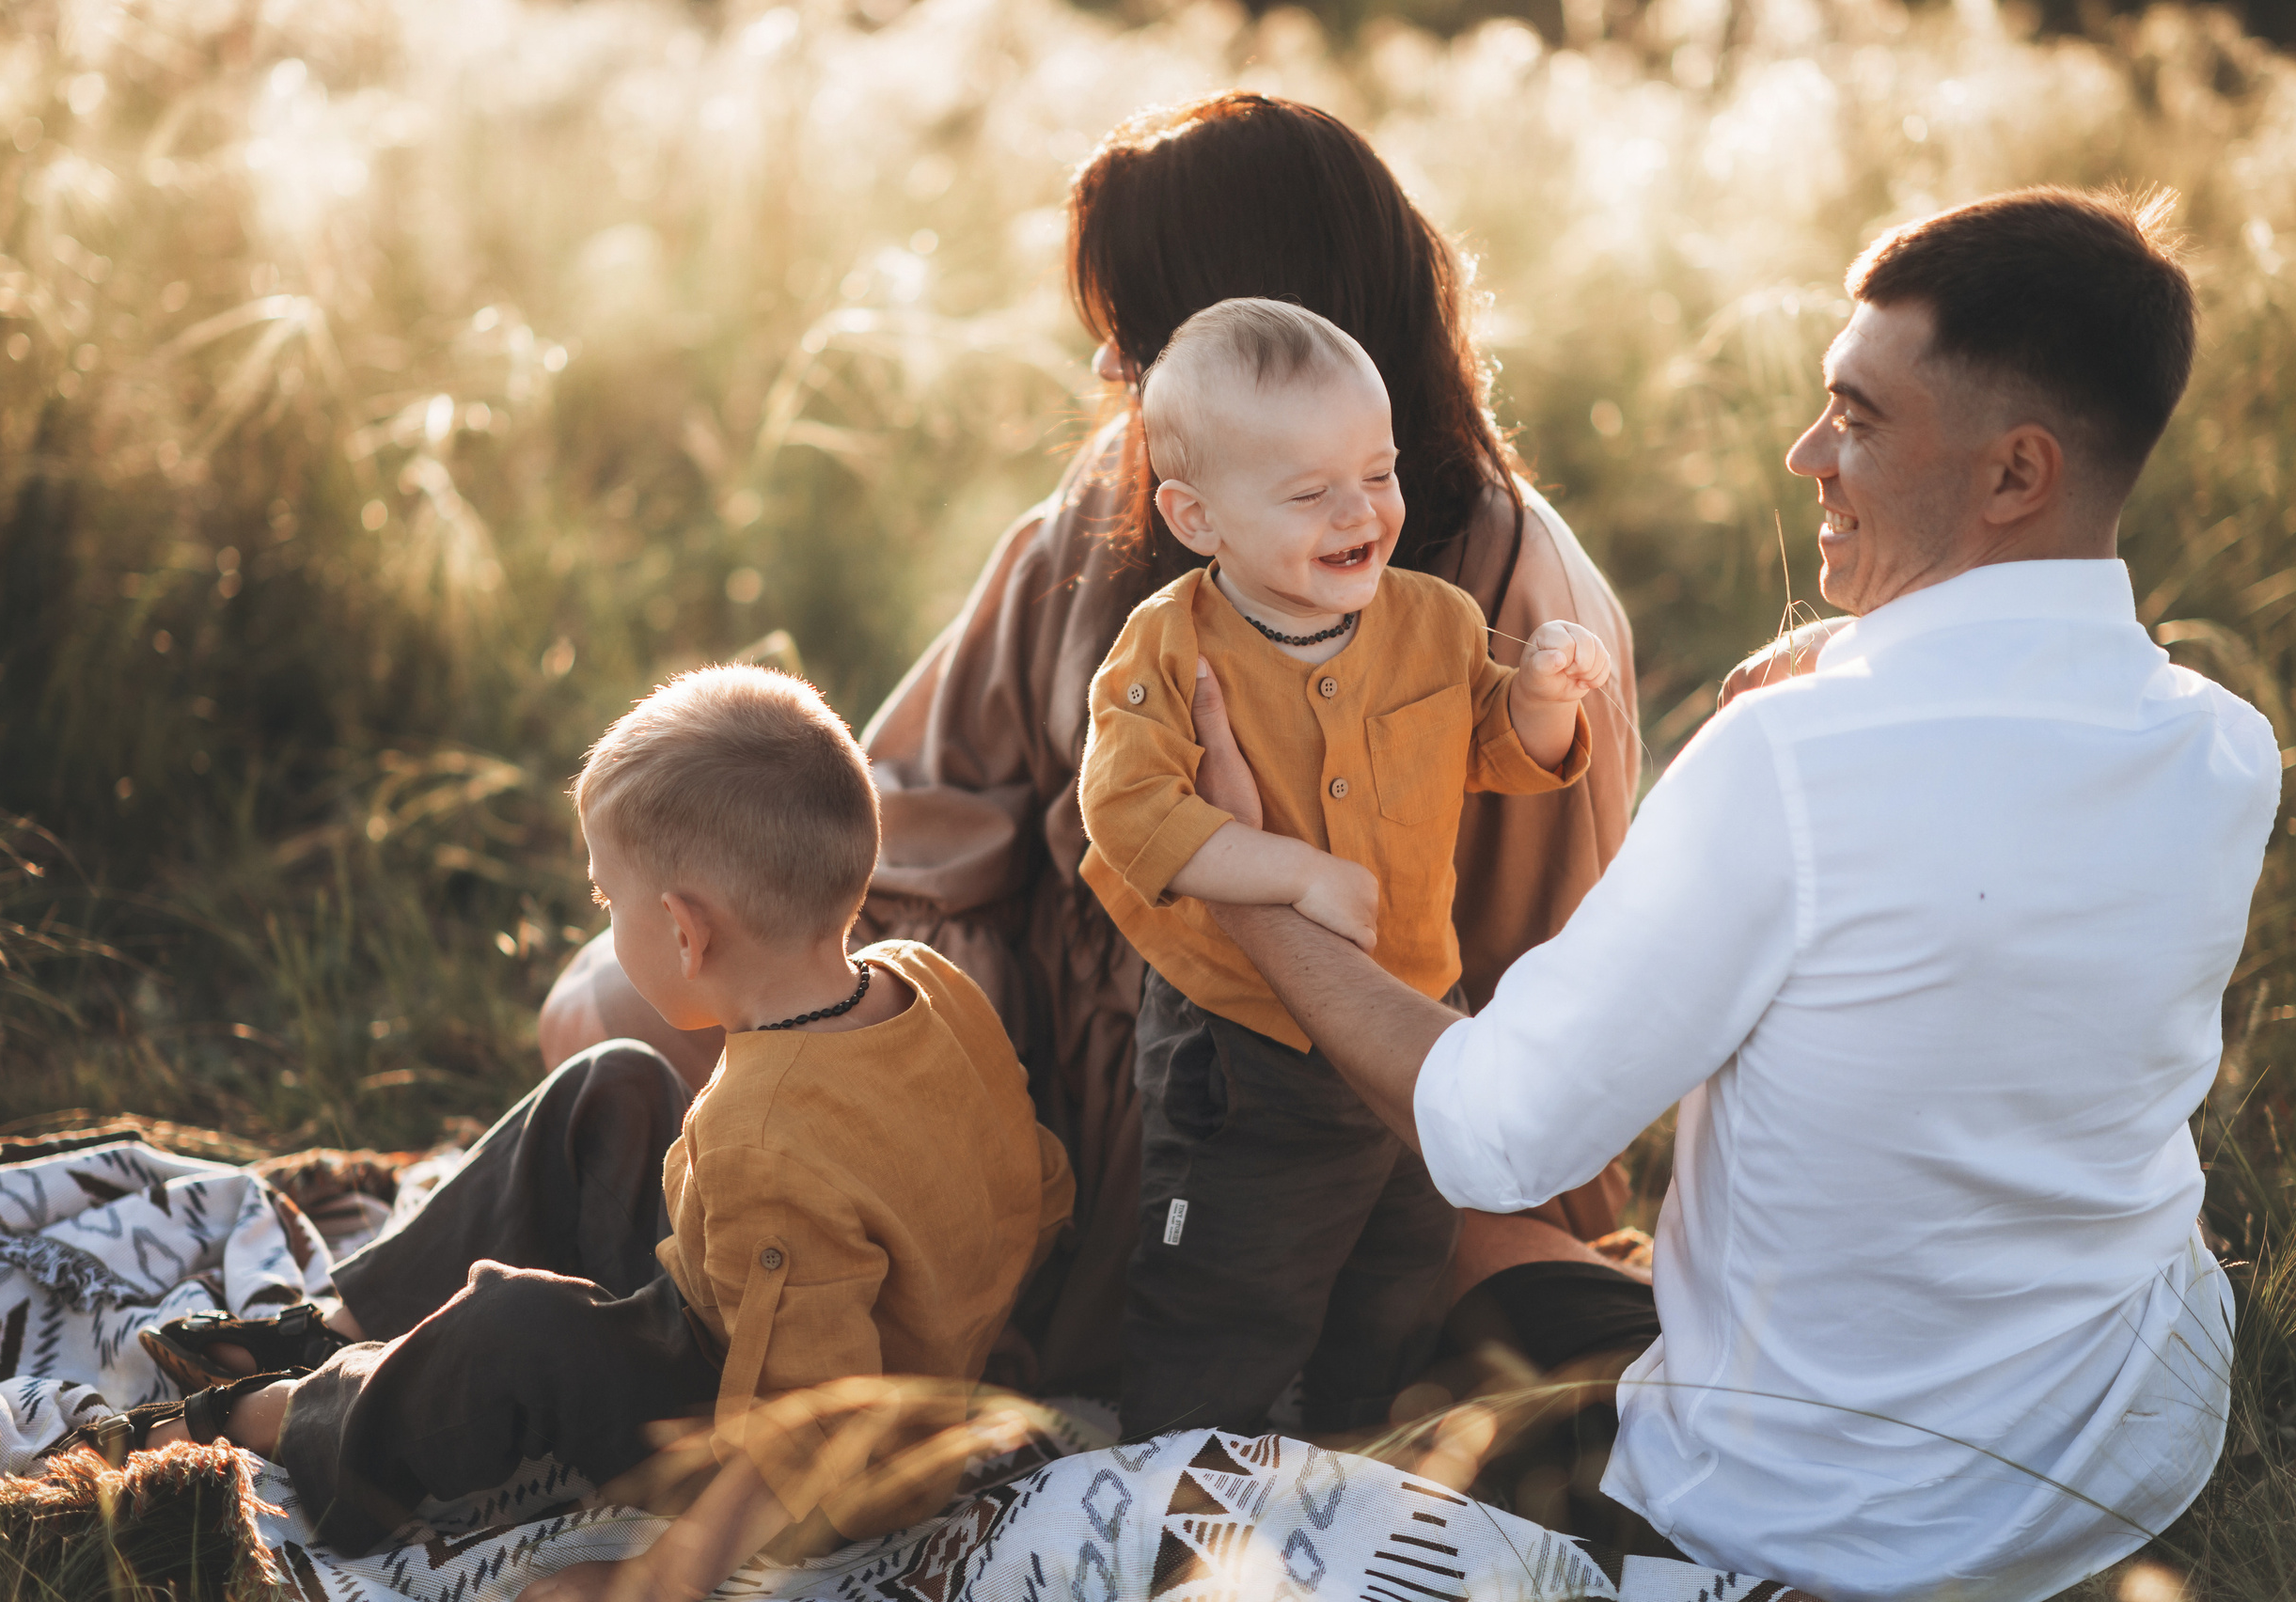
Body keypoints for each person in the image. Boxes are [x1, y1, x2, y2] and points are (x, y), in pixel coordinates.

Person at [1183, 186, 2279, 1598]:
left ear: (2016, 475)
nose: (1806, 451)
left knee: (1450, 1237)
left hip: (1807, 1522)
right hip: (2117, 1459)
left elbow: (1493, 1133)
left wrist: (1245, 880)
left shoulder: (1792, 762)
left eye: (1858, 419)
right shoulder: (2222, 748)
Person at [540, 91, 1650, 1398]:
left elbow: (1551, 987)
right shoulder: (1118, 502)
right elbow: (914, 799)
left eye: (1135, 328)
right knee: (611, 1010)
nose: (1109, 370)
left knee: (1459, 1288)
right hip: (1051, 1058)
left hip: (1361, 1098)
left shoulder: (1512, 597)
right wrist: (889, 1023)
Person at [102, 667, 1074, 1577]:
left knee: (518, 1326)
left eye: (609, 901)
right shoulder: (926, 979)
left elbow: (807, 1435)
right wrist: (961, 1319)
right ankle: (339, 1327)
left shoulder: (759, 1143)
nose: (603, 922)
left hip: (743, 1419)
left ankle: (288, 1418)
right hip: (776, 1300)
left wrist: (656, 1574)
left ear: (687, 934)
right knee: (615, 1080)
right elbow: (1035, 1176)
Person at [1073, 299, 1612, 1438]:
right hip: (1244, 1046)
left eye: (1377, 473)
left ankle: (1352, 1442)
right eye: (1310, 493)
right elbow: (1124, 808)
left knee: (1402, 1254)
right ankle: (1182, 1470)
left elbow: (1494, 750)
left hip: (1416, 1014)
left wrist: (1539, 699)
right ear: (1196, 517)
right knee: (1227, 1274)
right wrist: (1285, 871)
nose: (1360, 512)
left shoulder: (1433, 622)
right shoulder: (1168, 648)